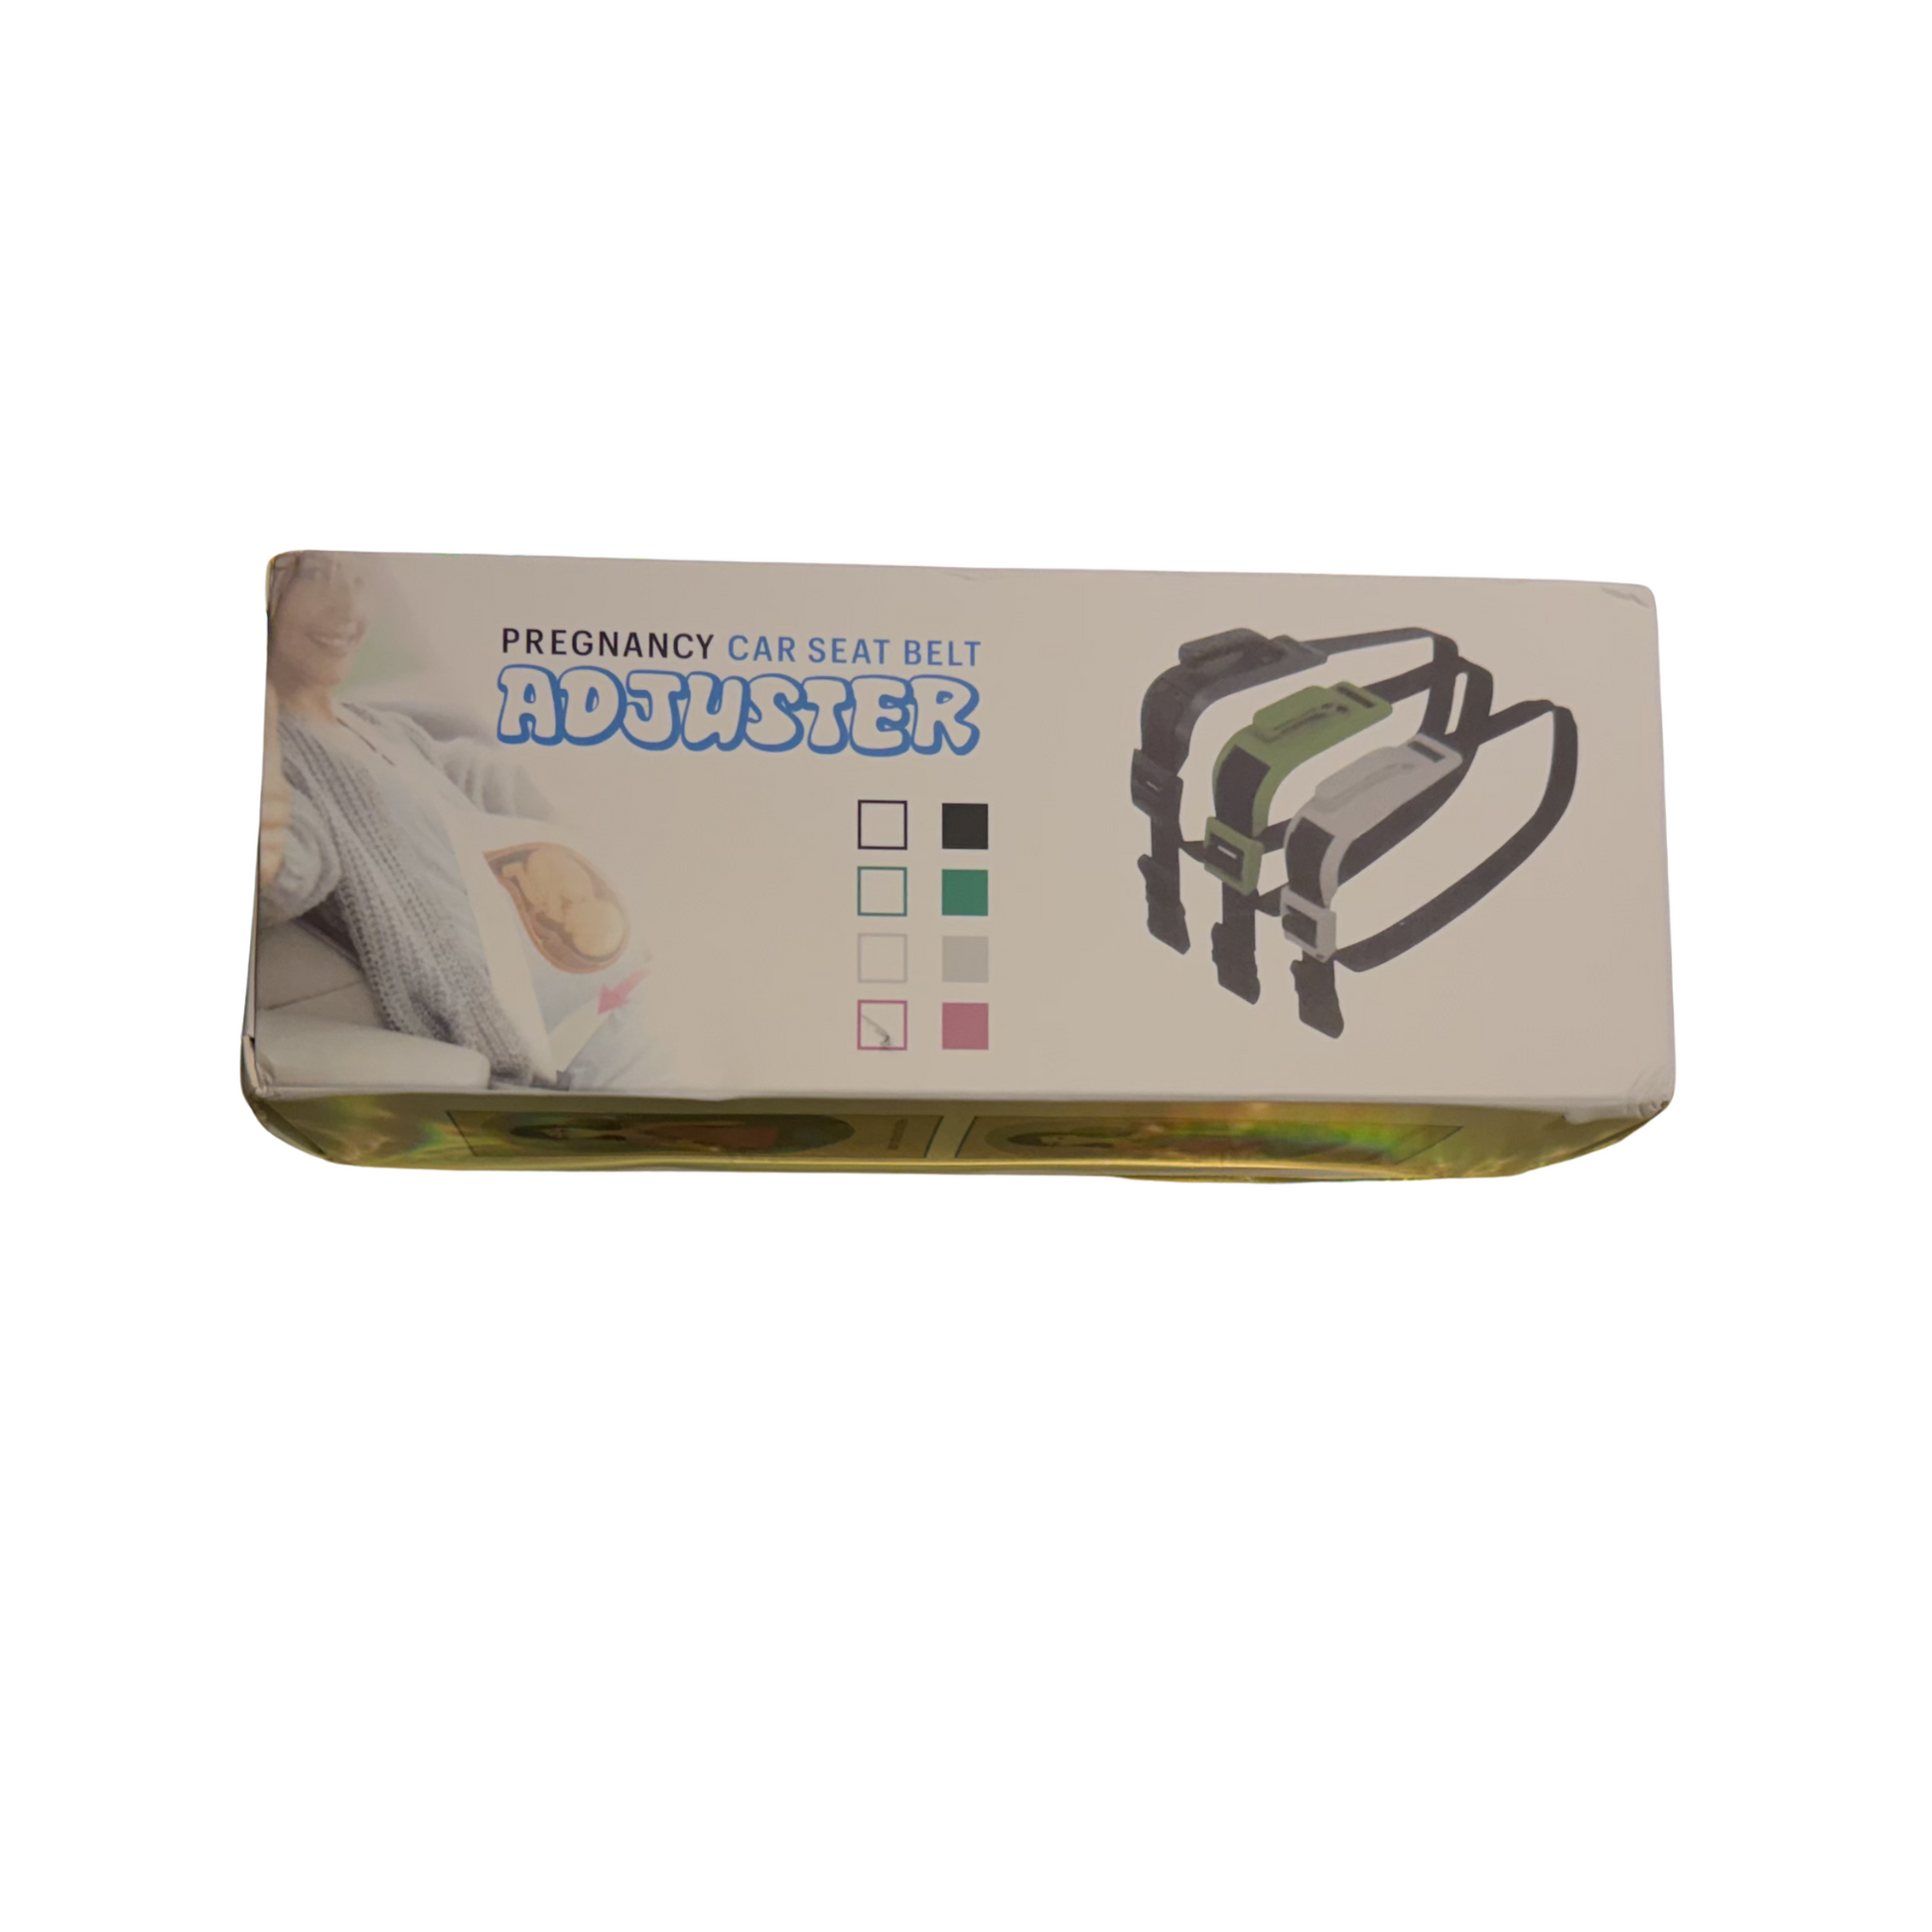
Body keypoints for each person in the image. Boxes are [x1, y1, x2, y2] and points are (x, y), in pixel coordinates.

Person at [257, 552, 652, 1087]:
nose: (348, 608)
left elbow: (466, 775)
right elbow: (288, 866)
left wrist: (573, 786)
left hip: (612, 993)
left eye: (360, 580)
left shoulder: (374, 725)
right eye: (315, 575)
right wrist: (265, 832)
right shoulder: (286, 756)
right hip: (546, 1037)